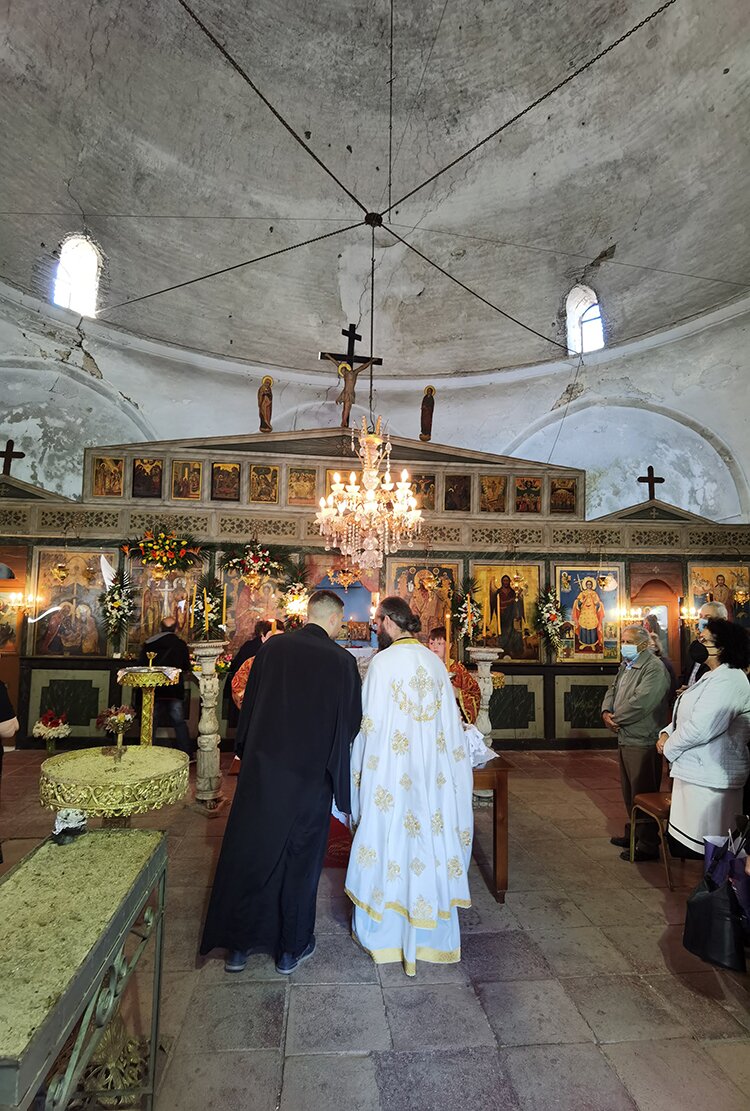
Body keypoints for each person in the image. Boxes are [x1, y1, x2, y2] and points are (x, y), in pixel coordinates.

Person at [200, 590, 361, 975]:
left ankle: (238, 948)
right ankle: (291, 948)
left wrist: (247, 752)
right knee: (300, 862)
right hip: (310, 779)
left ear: (307, 615)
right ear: (336, 621)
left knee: (252, 853)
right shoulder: (343, 661)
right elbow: (351, 724)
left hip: (263, 773)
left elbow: (248, 704)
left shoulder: (270, 651)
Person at [346, 596, 473, 977]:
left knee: (391, 841)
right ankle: (431, 938)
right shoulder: (434, 663)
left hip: (391, 777)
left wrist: (358, 777)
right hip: (430, 777)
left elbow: (366, 727)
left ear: (385, 623)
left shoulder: (381, 664)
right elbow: (452, 729)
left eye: (377, 622)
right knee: (428, 844)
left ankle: (386, 935)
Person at [657, 618, 750, 857]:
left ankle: (713, 895)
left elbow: (703, 727)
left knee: (713, 852)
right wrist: (667, 732)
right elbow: (688, 715)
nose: (698, 643)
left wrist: (670, 747)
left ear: (721, 648)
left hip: (711, 778)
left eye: (704, 640)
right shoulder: (713, 676)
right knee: (698, 850)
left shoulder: (730, 679)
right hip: (698, 774)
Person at [602, 624, 671, 861]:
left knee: (643, 791)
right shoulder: (627, 665)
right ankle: (635, 834)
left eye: (627, 641)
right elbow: (612, 690)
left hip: (642, 737)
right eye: (622, 641)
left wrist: (617, 719)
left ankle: (648, 843)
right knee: (629, 791)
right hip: (625, 735)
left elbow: (643, 702)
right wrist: (606, 713)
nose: (623, 646)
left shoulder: (654, 669)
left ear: (642, 644)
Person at [138, 616, 193, 757]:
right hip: (173, 690)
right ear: (175, 628)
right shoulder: (180, 645)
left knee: (151, 722)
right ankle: (186, 752)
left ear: (160, 627)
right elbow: (186, 666)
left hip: (153, 689)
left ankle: (146, 752)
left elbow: (141, 665)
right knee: (179, 722)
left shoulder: (149, 644)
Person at [427, 625, 481, 724]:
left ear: (450, 645)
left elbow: (475, 693)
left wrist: (458, 693)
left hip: (452, 720)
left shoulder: (458, 669)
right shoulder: (425, 669)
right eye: (431, 643)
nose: (435, 647)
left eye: (439, 643)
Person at [679, 600, 727, 690]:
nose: (702, 620)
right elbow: (687, 672)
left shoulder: (728, 648)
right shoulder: (695, 645)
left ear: (722, 620)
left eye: (707, 617)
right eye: (701, 617)